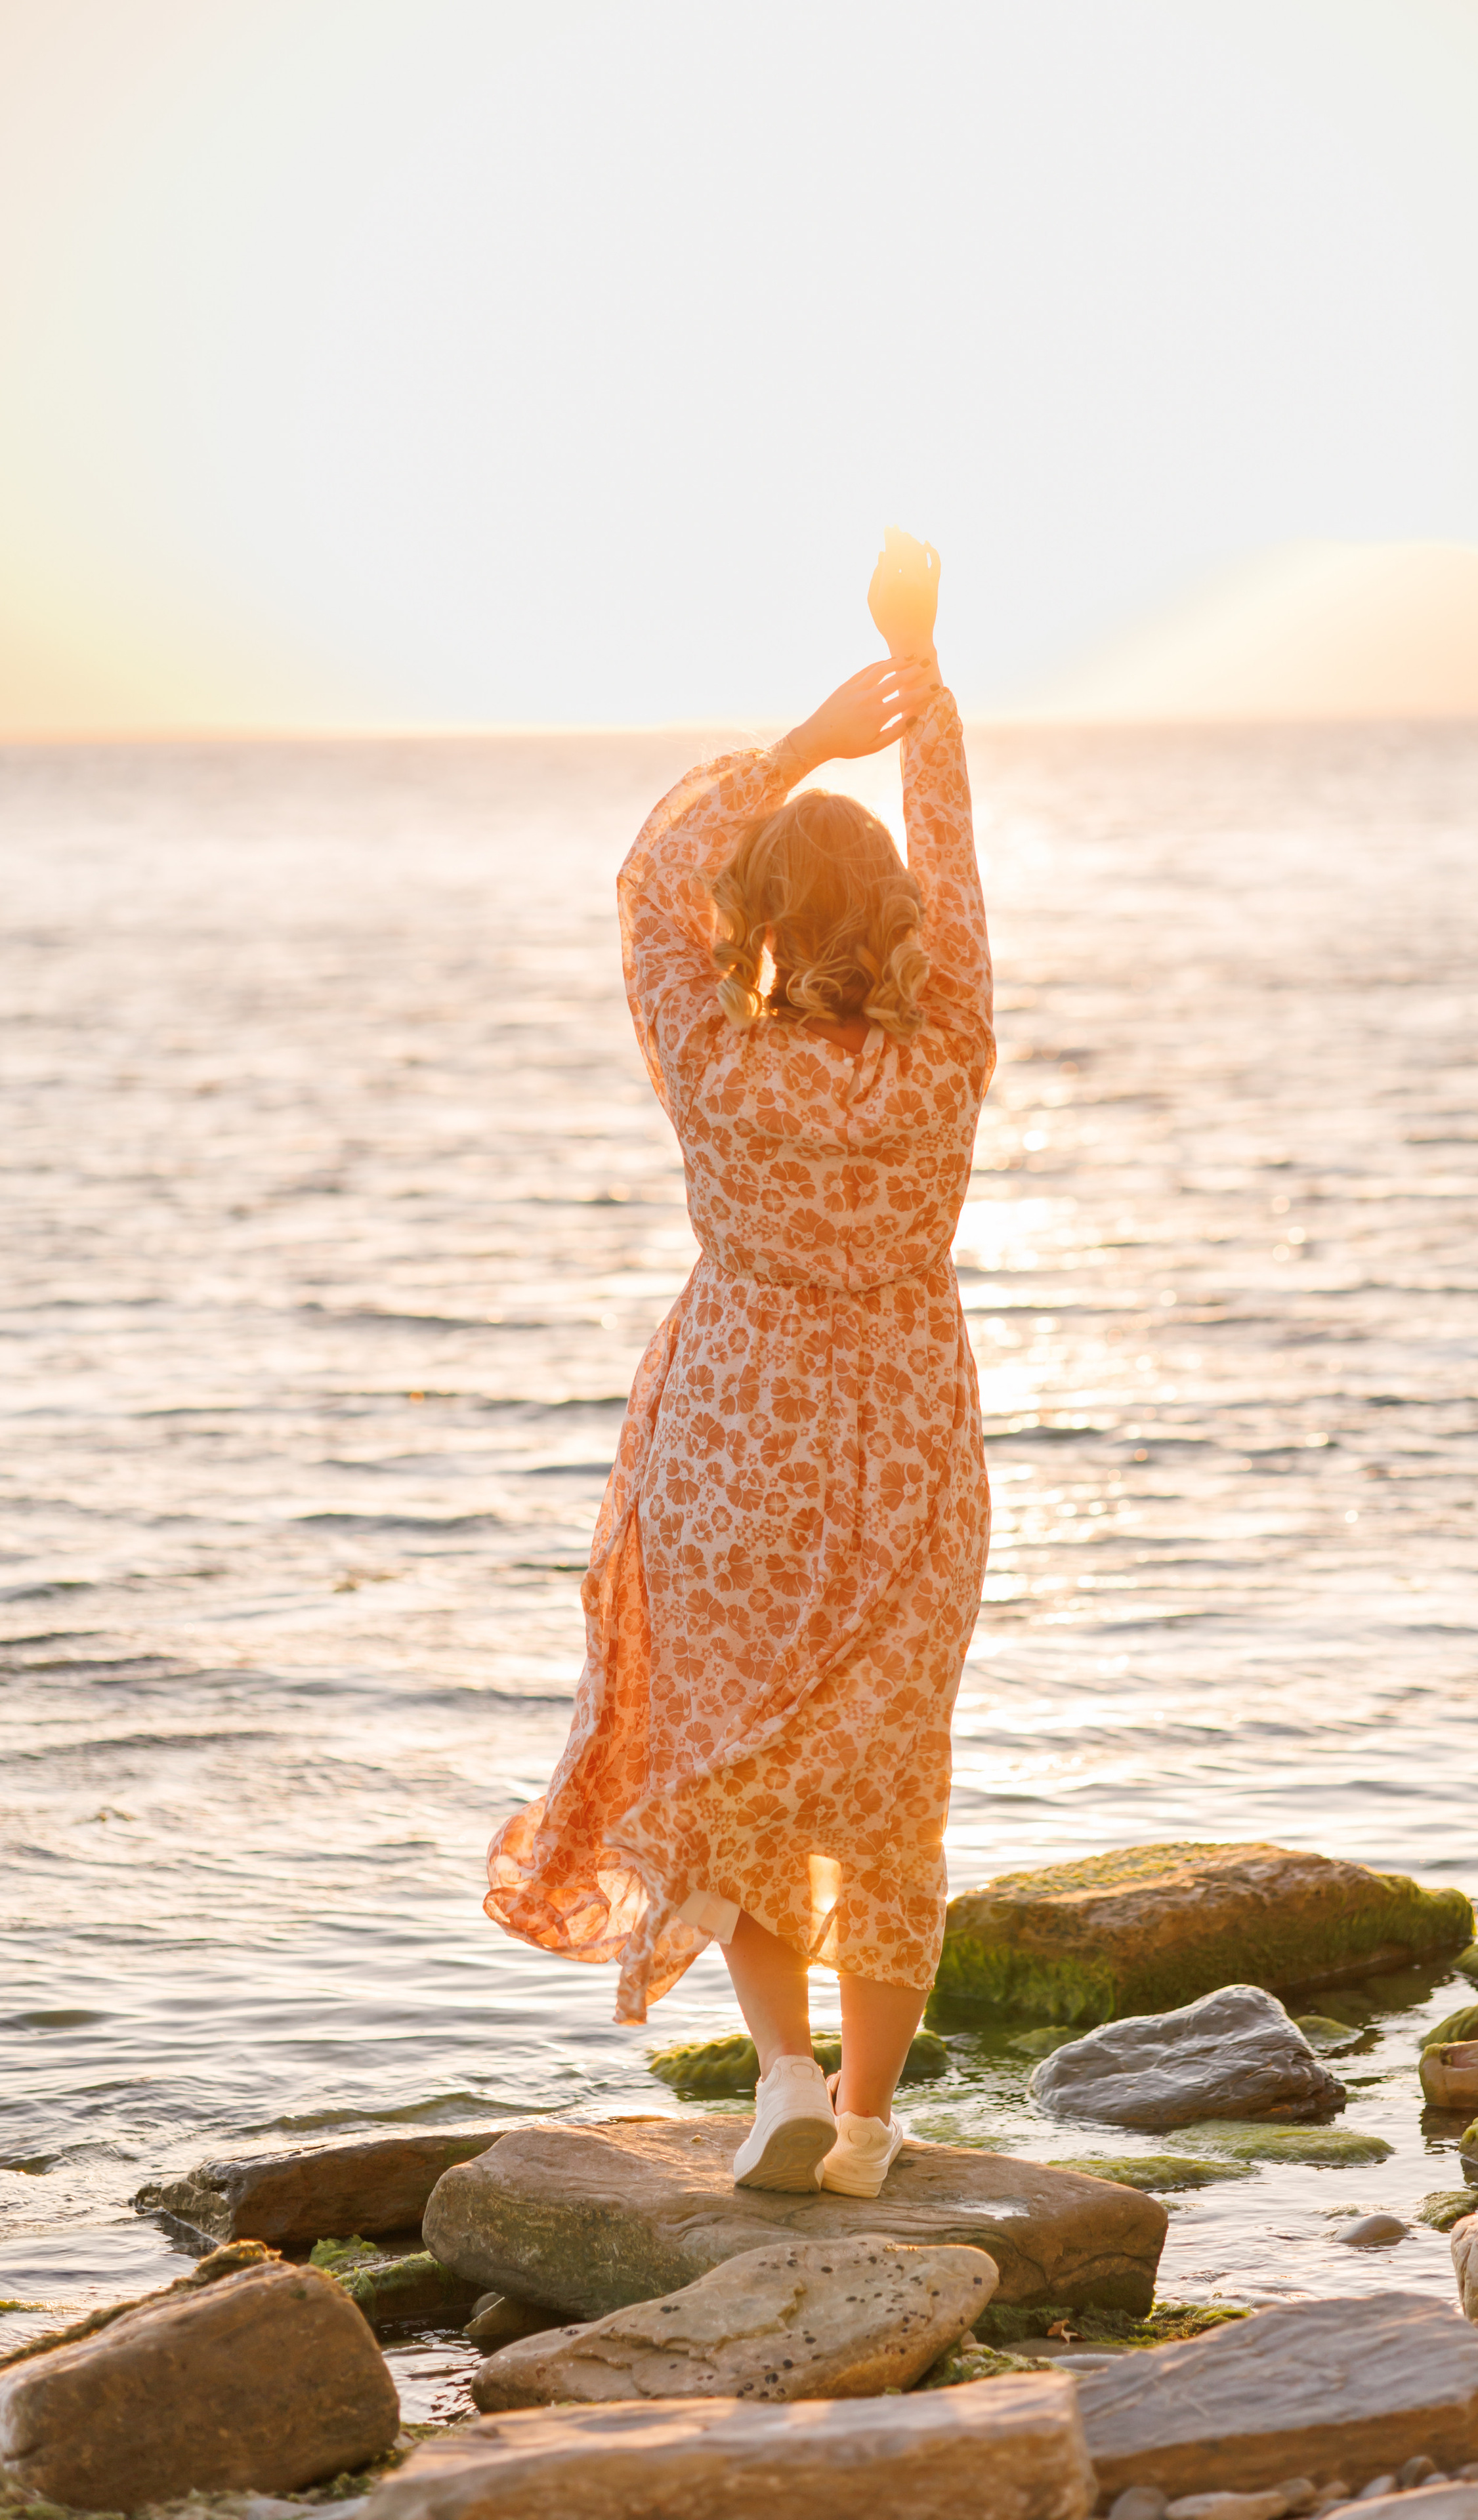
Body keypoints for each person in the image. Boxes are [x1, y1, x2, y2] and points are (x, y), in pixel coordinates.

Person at [485, 532, 994, 2199]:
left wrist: (797, 744)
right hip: (907, 1444)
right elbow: (957, 854)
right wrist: (921, 682)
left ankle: (777, 2072)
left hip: (734, 1441)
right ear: (909, 925)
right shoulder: (948, 1058)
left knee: (743, 1759)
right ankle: (860, 2125)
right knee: (884, 1784)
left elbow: (649, 885)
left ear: (758, 926)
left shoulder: (715, 1058)